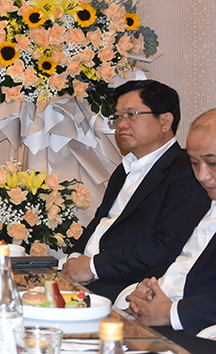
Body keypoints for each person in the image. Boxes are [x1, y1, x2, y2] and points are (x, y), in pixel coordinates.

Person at [61, 80, 210, 300]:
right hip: (87, 278)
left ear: (165, 121)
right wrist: (73, 260)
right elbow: (100, 223)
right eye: (118, 117)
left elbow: (164, 247)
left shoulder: (186, 170)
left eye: (132, 115)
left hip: (124, 285)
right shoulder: (125, 169)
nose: (121, 124)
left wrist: (92, 267)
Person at [125, 109, 216, 336]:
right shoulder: (199, 198)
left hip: (194, 325)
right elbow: (170, 255)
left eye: (212, 163)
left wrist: (171, 313)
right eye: (194, 163)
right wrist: (147, 288)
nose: (202, 176)